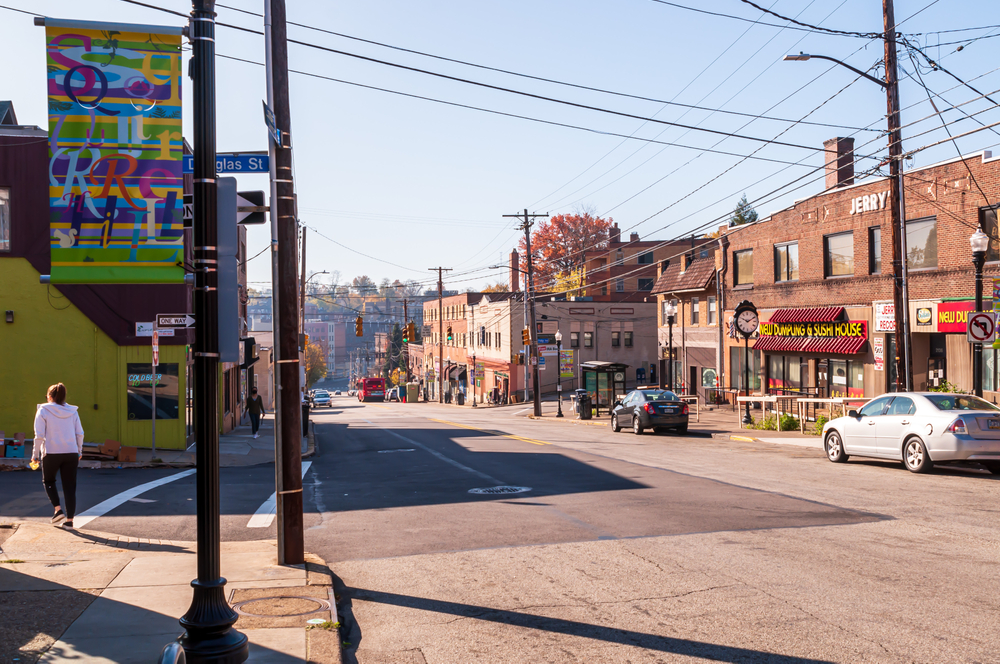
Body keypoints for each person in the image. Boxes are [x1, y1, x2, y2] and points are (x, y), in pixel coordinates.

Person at [31, 383, 84, 529]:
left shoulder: (43, 410)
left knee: (48, 481)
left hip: (51, 452)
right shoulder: (73, 411)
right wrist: (79, 451)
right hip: (71, 452)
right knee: (70, 486)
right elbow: (80, 433)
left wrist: (35, 455)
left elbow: (39, 436)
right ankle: (70, 521)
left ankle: (57, 509)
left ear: (49, 396)